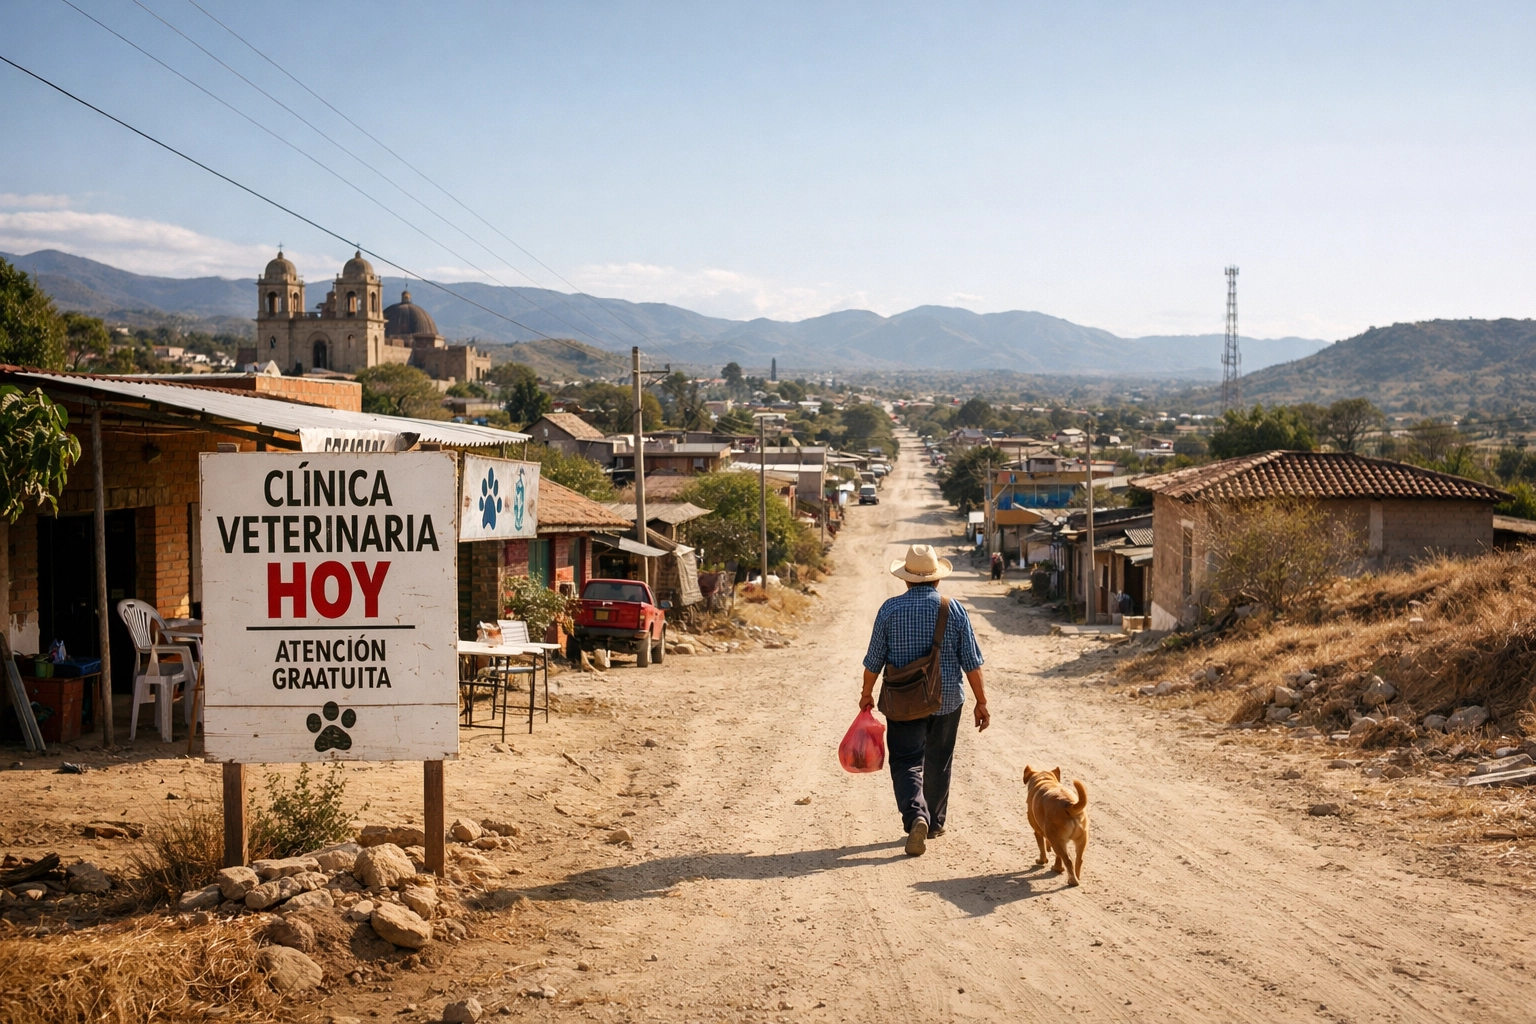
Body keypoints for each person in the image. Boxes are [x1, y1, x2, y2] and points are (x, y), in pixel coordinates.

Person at [860, 544, 988, 856]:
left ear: (905, 580)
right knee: (938, 760)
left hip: (903, 702)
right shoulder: (953, 609)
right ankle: (934, 823)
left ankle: (916, 814)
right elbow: (971, 661)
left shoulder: (889, 610)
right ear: (937, 579)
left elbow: (874, 660)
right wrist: (981, 701)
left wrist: (866, 695)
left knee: (906, 761)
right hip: (946, 701)